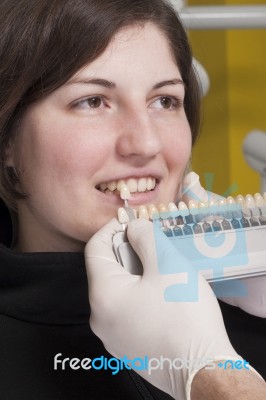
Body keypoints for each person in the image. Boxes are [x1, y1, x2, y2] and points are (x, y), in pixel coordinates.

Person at [0, 0, 264, 399]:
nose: (146, 143)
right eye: (92, 101)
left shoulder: (248, 307)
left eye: (165, 101)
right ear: (7, 139)